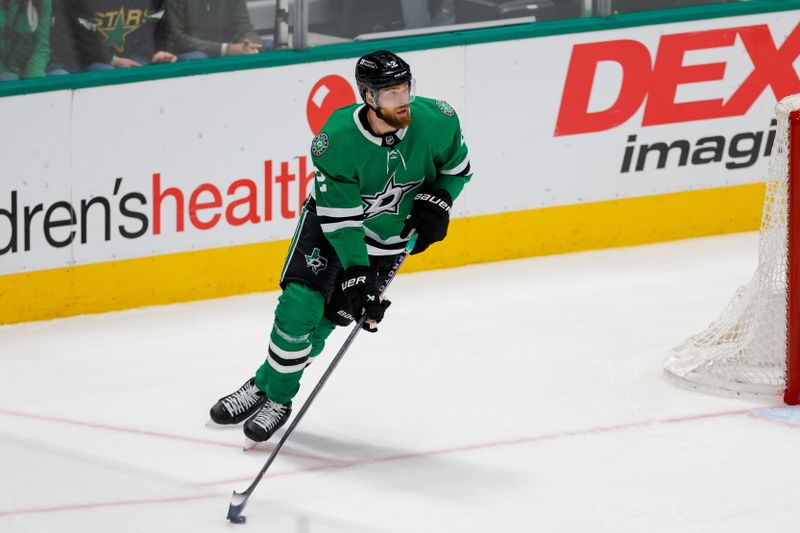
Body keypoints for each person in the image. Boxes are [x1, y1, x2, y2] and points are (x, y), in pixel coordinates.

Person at [208, 50, 473, 445]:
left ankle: (264, 382)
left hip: (389, 239)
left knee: (327, 321)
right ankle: (280, 398)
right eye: (390, 93)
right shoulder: (337, 140)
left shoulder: (438, 119)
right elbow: (342, 221)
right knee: (300, 307)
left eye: (406, 88)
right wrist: (355, 272)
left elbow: (457, 170)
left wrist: (440, 201)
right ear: (368, 97)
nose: (402, 100)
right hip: (332, 227)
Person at [48, 0, 175, 73]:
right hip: (97, 62)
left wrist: (161, 50)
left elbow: (163, 26)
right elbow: (78, 41)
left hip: (139, 57)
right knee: (105, 72)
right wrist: (114, 60)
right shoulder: (79, 3)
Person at [166, 0, 270, 61]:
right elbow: (177, 38)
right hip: (188, 53)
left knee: (269, 45)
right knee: (198, 58)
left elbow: (244, 27)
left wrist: (248, 45)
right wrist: (226, 49)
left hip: (229, 48)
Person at [0, 0, 53, 81]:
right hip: (4, 68)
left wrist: (35, 82)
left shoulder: (44, 2)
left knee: (61, 77)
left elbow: (41, 45)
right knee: (9, 79)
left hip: (33, 63)